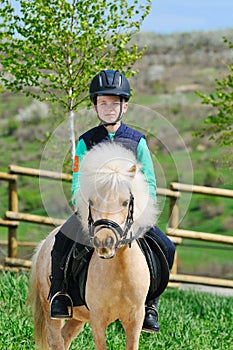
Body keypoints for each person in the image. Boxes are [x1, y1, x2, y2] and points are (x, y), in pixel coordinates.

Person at [49, 69, 176, 333]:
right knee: (62, 241)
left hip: (127, 215)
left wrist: (142, 212)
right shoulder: (85, 142)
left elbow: (149, 182)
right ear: (95, 106)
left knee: (167, 247)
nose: (108, 109)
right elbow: (77, 181)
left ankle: (150, 305)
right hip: (94, 214)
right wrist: (83, 207)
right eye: (103, 103)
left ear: (124, 106)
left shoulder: (137, 142)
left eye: (114, 103)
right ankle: (60, 294)